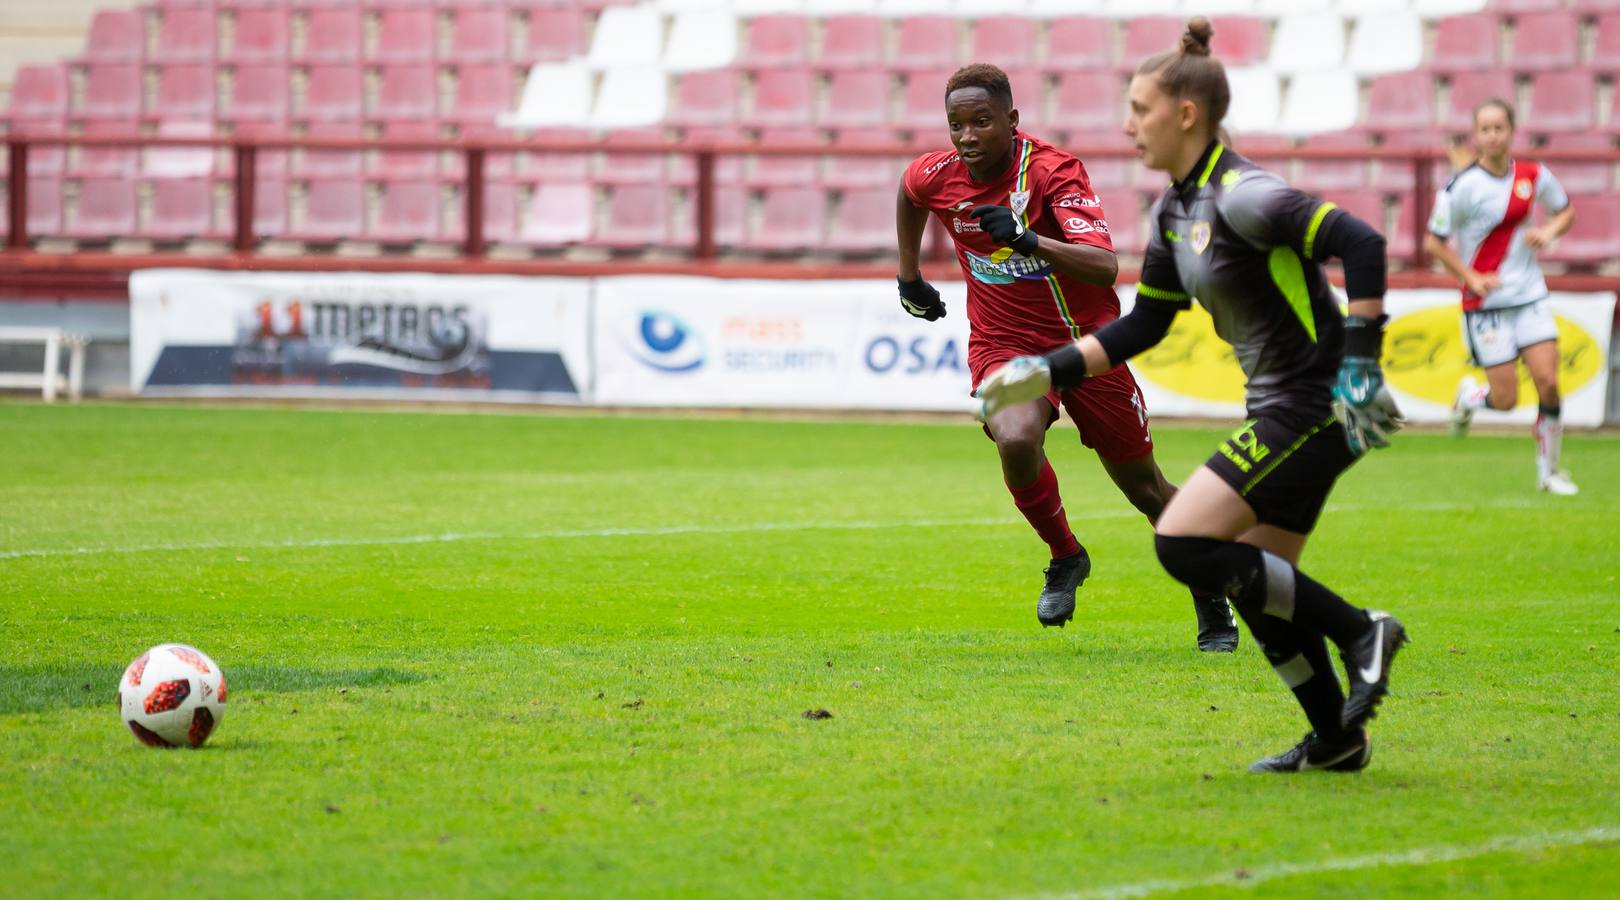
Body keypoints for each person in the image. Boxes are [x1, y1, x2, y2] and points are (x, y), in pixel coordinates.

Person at [975, 19, 1409, 772]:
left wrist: (1362, 364)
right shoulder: (1177, 212)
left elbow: (1362, 243)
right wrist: (1045, 370)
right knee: (1262, 588)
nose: (1127, 124)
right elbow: (1144, 323)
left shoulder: (1244, 195)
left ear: (1185, 115)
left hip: (1321, 402)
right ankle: (1337, 741)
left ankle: (1363, 630)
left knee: (1181, 540)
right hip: (1283, 406)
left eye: (1139, 109)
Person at [895, 63, 1238, 652]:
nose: (968, 136)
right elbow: (910, 192)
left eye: (981, 122)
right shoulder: (938, 173)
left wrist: (1028, 239)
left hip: (1087, 344)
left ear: (1012, 120)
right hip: (1003, 343)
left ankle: (1210, 596)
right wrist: (909, 275)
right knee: (1017, 437)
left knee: (1146, 489)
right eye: (956, 125)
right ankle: (1065, 555)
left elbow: (1105, 266)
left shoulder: (1054, 173)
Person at [1425, 99, 1578, 495]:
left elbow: (1565, 211)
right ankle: (1470, 395)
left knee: (1548, 381)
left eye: (1500, 128)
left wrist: (1549, 233)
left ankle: (1549, 473)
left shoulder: (1533, 175)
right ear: (1476, 136)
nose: (1493, 136)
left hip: (1529, 295)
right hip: (1486, 306)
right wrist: (1470, 276)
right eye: (1485, 129)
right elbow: (1435, 243)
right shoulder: (1460, 187)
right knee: (1506, 400)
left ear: (1512, 131)